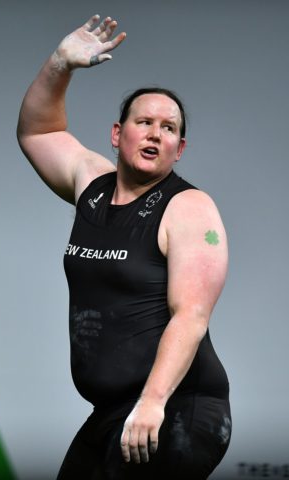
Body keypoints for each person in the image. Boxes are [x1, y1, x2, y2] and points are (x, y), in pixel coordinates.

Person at [17, 15, 231, 479]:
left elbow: (191, 316)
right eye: (145, 122)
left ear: (180, 147)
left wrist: (153, 403)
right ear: (118, 135)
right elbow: (37, 133)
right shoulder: (91, 185)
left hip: (178, 407)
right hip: (113, 410)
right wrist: (59, 64)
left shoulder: (189, 208)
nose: (156, 133)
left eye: (169, 128)